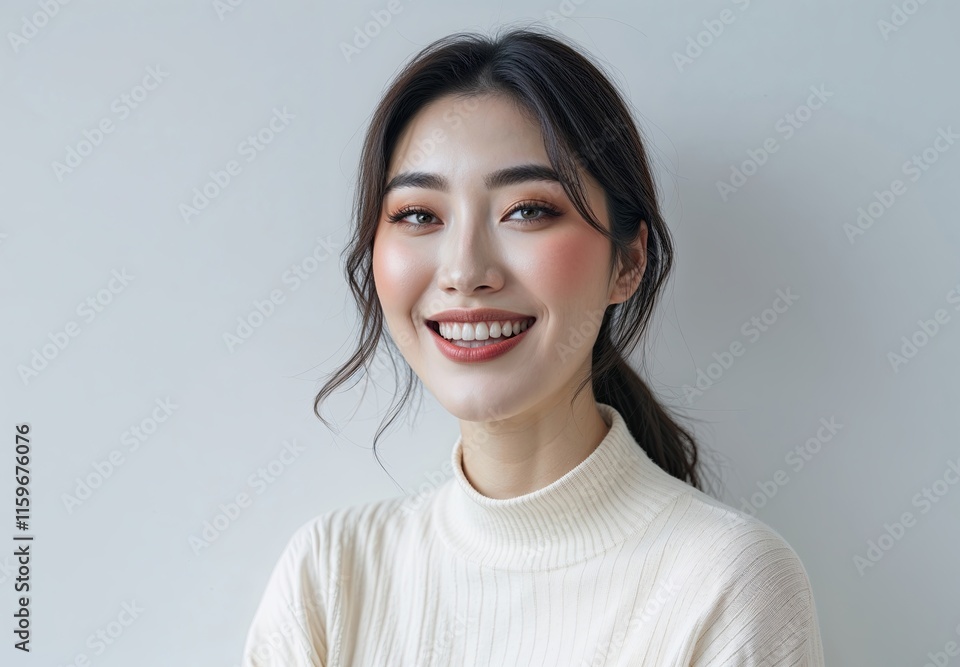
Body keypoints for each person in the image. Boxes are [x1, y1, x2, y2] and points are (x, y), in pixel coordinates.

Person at [241, 25, 825, 666]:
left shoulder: (725, 584)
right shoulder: (329, 579)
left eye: (527, 210)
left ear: (628, 261)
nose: (465, 270)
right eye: (418, 215)